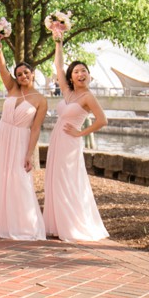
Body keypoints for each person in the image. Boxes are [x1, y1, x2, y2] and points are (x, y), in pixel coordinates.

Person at [43, 35, 109, 241]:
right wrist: (58, 42)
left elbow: (102, 120)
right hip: (57, 140)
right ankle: (57, 224)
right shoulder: (68, 93)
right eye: (77, 71)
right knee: (55, 180)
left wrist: (79, 133)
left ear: (89, 76)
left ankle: (71, 224)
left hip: (70, 142)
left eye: (84, 71)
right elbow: (58, 65)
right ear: (71, 77)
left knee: (68, 181)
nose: (81, 74)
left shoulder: (88, 97)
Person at [0, 36, 47, 241]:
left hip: (21, 140)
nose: (22, 76)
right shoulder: (12, 88)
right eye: (19, 74)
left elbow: (36, 128)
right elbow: (2, 69)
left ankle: (25, 226)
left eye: (26, 73)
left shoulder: (40, 100)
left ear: (33, 74)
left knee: (20, 179)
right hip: (2, 136)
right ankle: (3, 224)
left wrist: (29, 154)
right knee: (2, 179)